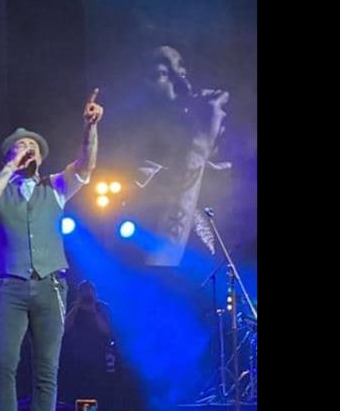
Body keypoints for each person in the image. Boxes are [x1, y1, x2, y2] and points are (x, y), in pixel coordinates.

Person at [0, 90, 104, 411]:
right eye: (22, 147)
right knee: (4, 365)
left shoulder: (55, 186)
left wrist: (90, 128)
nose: (29, 150)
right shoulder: (0, 191)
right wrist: (9, 168)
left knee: (47, 370)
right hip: (10, 286)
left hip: (50, 286)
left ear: (43, 158)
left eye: (34, 147)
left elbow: (86, 165)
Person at [133, 45, 231, 265]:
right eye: (162, 74)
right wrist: (198, 146)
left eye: (183, 74)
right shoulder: (132, 168)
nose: (183, 85)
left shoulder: (223, 167)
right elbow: (163, 258)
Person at [61, 281, 114, 404]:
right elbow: (63, 328)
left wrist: (93, 310)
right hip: (76, 363)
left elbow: (107, 331)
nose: (87, 295)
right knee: (81, 399)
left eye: (90, 291)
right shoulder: (73, 308)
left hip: (99, 362)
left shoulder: (103, 308)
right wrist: (77, 307)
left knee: (100, 396)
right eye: (83, 291)